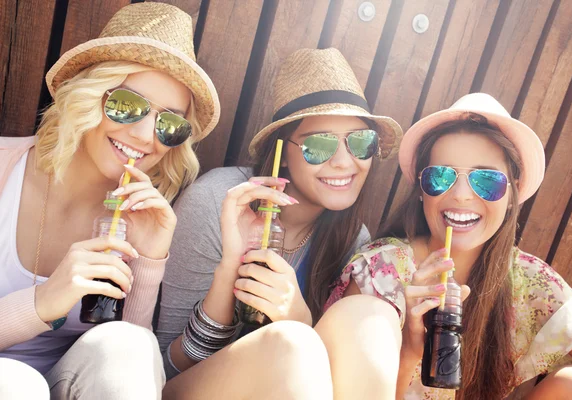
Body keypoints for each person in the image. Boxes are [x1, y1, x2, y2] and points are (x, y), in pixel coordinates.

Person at [157, 48, 405, 399]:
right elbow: (168, 366)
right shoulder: (217, 200)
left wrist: (299, 318)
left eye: (360, 143)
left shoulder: (353, 241)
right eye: (319, 145)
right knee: (293, 343)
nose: (343, 162)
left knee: (370, 315)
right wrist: (231, 266)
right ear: (281, 154)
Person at [0, 3, 219, 399]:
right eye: (127, 105)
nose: (144, 135)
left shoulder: (140, 216)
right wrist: (41, 302)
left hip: (67, 386)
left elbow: (127, 368)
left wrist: (150, 258)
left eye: (168, 123)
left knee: (130, 344)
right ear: (86, 95)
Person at [326, 93, 572, 399]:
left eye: (486, 179)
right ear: (421, 190)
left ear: (512, 194)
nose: (460, 195)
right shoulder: (379, 273)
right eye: (441, 177)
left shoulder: (529, 280)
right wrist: (409, 349)